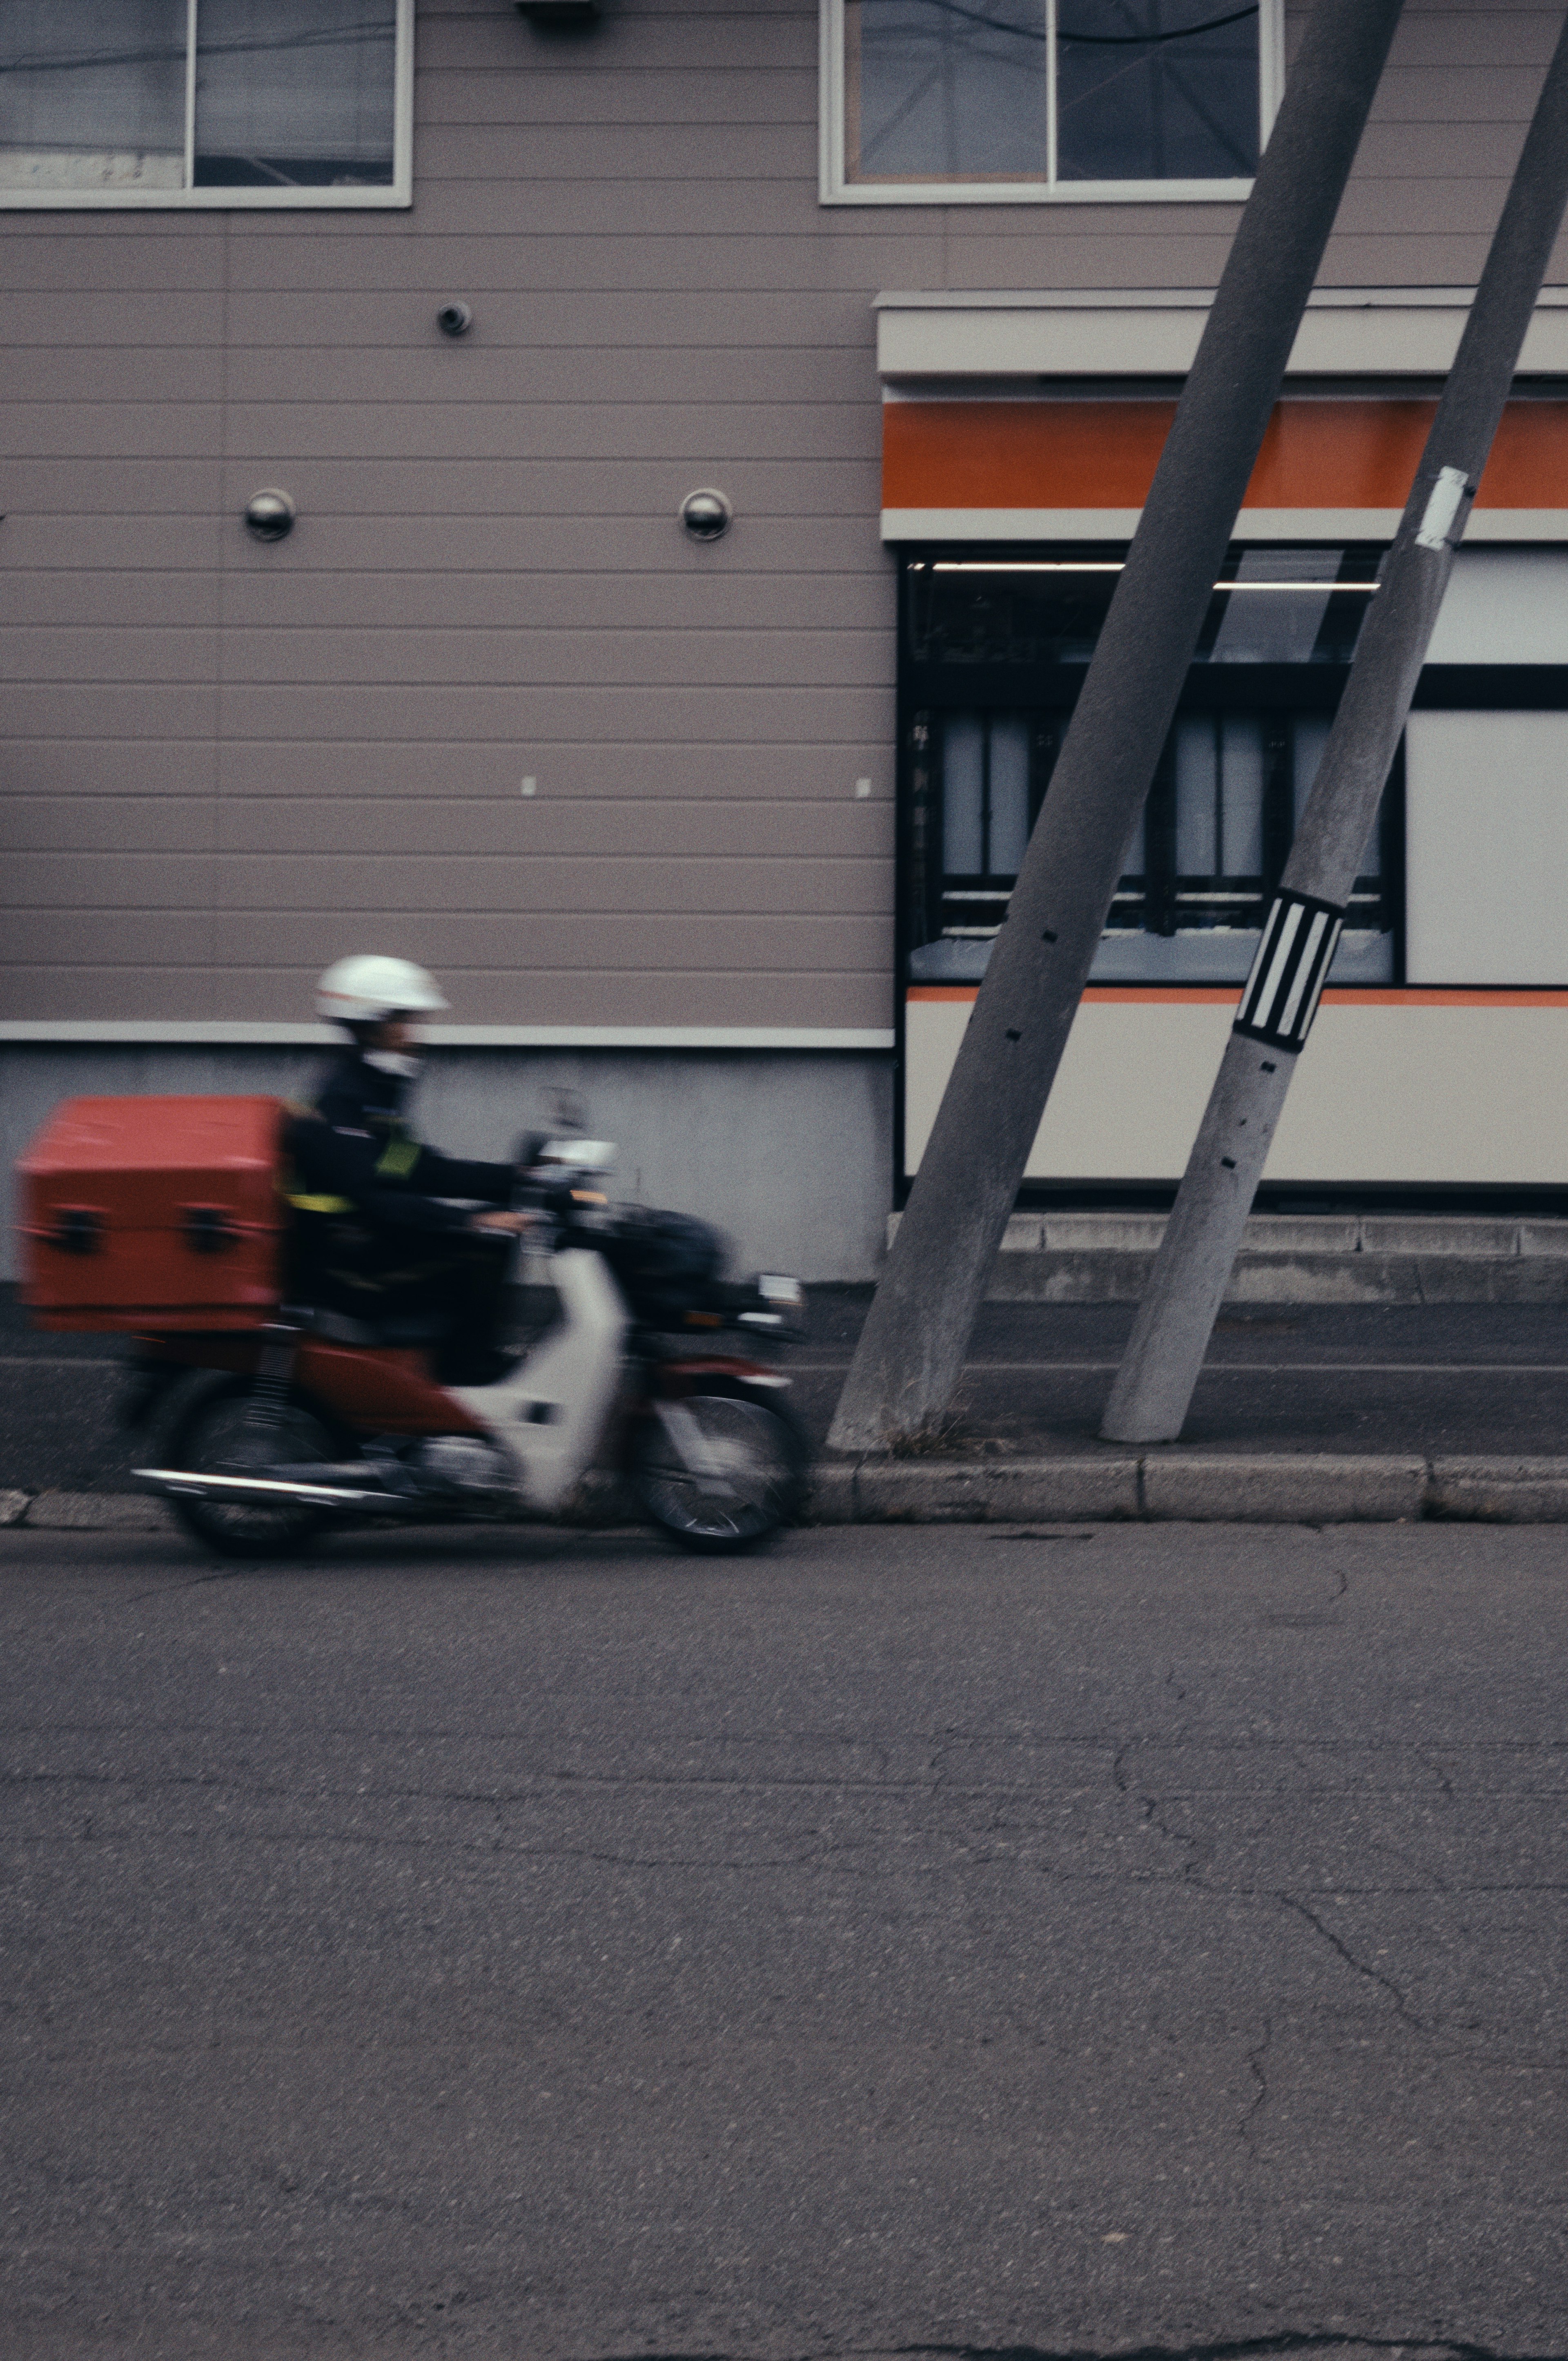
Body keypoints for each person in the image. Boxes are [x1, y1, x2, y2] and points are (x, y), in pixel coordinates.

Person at [284, 955, 530, 1380]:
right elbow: (377, 1200)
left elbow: (420, 1169)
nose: (415, 1036)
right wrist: (473, 1219)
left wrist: (516, 1179)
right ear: (370, 1023)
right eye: (404, 1021)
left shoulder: (371, 1096)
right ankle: (467, 1375)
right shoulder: (341, 1103)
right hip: (339, 1267)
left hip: (362, 1245)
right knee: (481, 1254)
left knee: (488, 1244)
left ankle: (463, 1365)